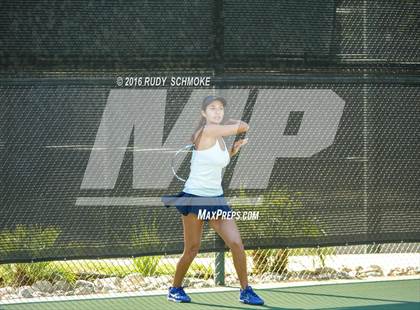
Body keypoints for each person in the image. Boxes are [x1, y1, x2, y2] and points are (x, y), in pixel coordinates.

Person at [165, 95, 264, 305]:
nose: (218, 112)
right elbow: (244, 125)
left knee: (236, 243)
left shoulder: (218, 137)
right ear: (203, 113)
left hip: (216, 199)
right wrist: (226, 120)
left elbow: (214, 163)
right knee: (192, 249)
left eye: (220, 108)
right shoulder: (209, 131)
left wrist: (232, 151)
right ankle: (175, 288)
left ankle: (245, 291)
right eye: (212, 108)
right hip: (196, 198)